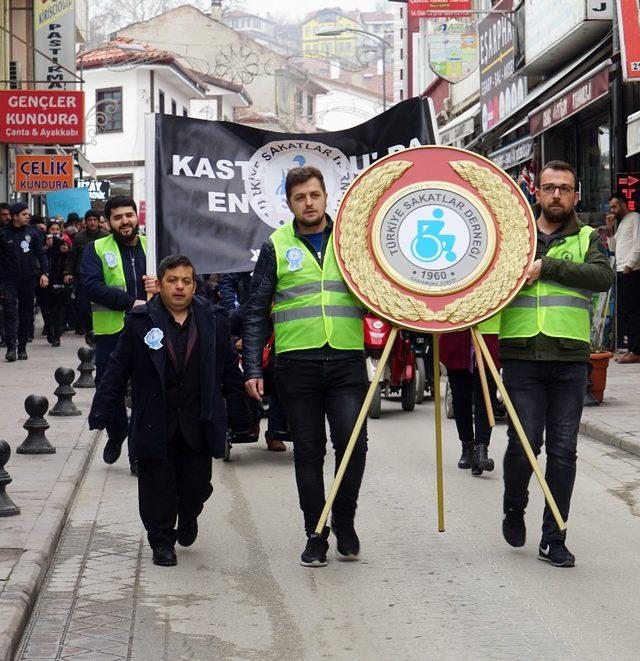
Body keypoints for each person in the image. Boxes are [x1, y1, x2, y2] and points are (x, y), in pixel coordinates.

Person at [89, 255, 251, 566]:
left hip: (197, 421)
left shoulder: (214, 320)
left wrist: (242, 416)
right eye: (172, 280)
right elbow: (117, 370)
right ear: (160, 284)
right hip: (154, 421)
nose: (179, 287)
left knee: (197, 486)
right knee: (156, 487)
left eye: (186, 281)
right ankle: (161, 540)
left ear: (195, 285)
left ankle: (189, 515)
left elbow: (229, 372)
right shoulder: (140, 321)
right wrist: (101, 411)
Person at [243, 166, 367, 568]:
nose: (309, 203)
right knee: (308, 452)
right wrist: (253, 369)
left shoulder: (352, 241)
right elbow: (256, 312)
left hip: (347, 358)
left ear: (326, 196)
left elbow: (378, 292)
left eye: (314, 195)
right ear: (289, 203)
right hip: (297, 364)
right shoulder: (275, 246)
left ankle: (344, 520)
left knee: (353, 445)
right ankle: (315, 533)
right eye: (300, 197)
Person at [499, 160, 614, 568]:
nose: (557, 196)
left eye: (565, 189)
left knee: (563, 451)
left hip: (569, 358)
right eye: (549, 188)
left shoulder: (587, 237)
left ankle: (554, 536)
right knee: (525, 443)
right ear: (538, 193)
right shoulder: (515, 238)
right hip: (521, 355)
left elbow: (604, 277)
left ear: (576, 195)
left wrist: (549, 267)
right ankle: (514, 506)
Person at [80, 195, 154, 475]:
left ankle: (137, 453)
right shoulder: (96, 249)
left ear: (137, 217)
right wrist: (130, 302)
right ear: (108, 222)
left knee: (144, 393)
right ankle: (117, 433)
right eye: (118, 217)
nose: (125, 221)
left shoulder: (153, 246)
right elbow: (91, 285)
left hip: (149, 332)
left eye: (129, 215)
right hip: (112, 332)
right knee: (108, 390)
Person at [440, 316, 500, 477]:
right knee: (460, 399)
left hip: (488, 336)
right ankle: (467, 445)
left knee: (486, 398)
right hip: (456, 336)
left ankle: (481, 449)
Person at [0, 202, 48, 361]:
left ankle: (22, 348)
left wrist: (44, 273)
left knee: (26, 314)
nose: (28, 216)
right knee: (10, 313)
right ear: (15, 216)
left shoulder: (33, 233)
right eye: (24, 214)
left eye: (28, 214)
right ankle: (11, 348)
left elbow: (41, 254)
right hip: (9, 280)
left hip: (28, 279)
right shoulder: (3, 234)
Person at [606, 194, 640, 363]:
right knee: (626, 312)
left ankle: (636, 350)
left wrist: (629, 266)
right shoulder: (621, 223)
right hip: (621, 270)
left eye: (614, 206)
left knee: (633, 312)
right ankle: (631, 349)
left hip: (631, 271)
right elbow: (613, 248)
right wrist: (610, 229)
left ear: (623, 204)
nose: (612, 210)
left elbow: (638, 244)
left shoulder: (635, 218)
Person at [64, 209, 109, 335]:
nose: (92, 223)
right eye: (90, 220)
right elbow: (72, 257)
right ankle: (89, 328)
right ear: (86, 221)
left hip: (101, 277)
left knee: (100, 306)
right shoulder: (79, 237)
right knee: (83, 307)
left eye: (95, 220)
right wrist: (68, 272)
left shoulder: (105, 236)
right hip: (82, 277)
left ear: (99, 221)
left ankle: (98, 330)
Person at [41, 220, 71, 347]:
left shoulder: (63, 243)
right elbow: (38, 256)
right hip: (45, 279)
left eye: (57, 230)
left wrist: (66, 250)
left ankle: (57, 335)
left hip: (59, 279)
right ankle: (49, 329)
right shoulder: (43, 242)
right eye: (52, 229)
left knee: (58, 310)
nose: (54, 232)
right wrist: (46, 247)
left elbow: (70, 259)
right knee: (46, 309)